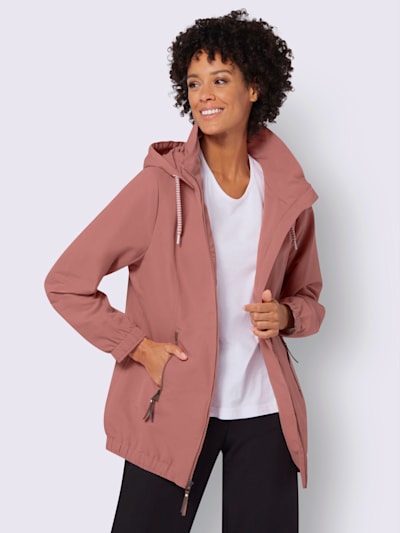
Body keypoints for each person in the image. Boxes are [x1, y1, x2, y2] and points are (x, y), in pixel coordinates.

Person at [45, 9, 325, 533]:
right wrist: (138, 347)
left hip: (265, 410)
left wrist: (287, 315)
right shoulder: (159, 188)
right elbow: (66, 283)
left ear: (255, 88)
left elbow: (309, 297)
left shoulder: (288, 196)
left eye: (220, 80)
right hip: (173, 404)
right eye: (194, 83)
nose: (204, 95)